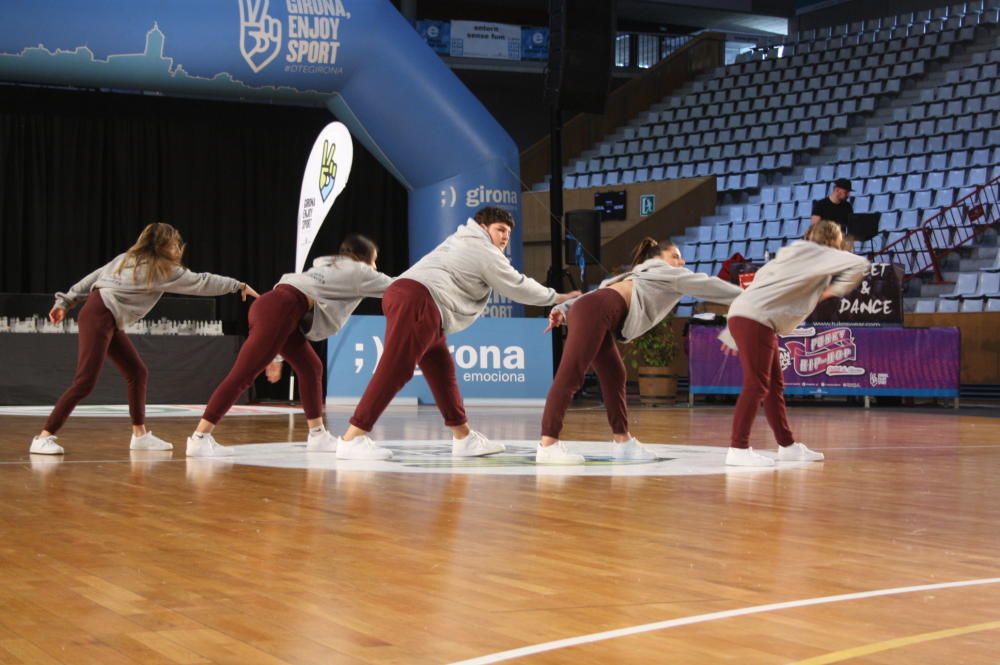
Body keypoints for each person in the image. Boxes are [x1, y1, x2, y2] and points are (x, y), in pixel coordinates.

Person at [335, 206, 580, 460]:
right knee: (396, 368)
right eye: (500, 230)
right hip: (420, 300)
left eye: (508, 232)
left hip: (420, 301)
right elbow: (517, 286)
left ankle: (463, 437)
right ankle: (353, 437)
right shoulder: (482, 249)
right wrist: (558, 297)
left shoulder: (461, 239)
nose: (505, 237)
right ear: (484, 228)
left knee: (442, 371)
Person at [31, 222, 257, 455]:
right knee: (84, 382)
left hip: (101, 314)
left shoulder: (126, 258)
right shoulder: (162, 269)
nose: (179, 248)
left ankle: (140, 436)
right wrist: (237, 285)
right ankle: (43, 437)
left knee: (137, 372)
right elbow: (201, 281)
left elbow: (92, 278)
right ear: (168, 245)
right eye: (176, 244)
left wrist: (65, 302)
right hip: (100, 316)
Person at [538, 238, 742, 464]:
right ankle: (548, 444)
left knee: (615, 374)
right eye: (675, 256)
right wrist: (747, 296)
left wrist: (563, 308)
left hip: (592, 310)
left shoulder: (632, 275)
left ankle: (622, 442)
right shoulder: (667, 273)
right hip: (596, 312)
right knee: (571, 375)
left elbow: (593, 295)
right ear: (658, 258)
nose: (681, 261)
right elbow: (708, 284)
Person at [186, 234, 393, 457]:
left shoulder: (327, 266)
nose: (375, 266)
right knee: (242, 376)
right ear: (365, 258)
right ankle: (199, 438)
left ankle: (318, 436)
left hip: (275, 307)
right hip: (281, 310)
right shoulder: (360, 272)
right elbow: (399, 287)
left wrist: (276, 356)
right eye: (375, 259)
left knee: (311, 368)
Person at [719, 220, 869, 467]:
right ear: (835, 242)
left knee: (773, 386)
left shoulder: (790, 255)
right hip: (757, 319)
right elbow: (860, 264)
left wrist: (731, 330)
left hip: (749, 317)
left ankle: (787, 445)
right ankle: (738, 448)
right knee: (757, 386)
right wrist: (832, 291)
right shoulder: (822, 255)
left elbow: (757, 284)